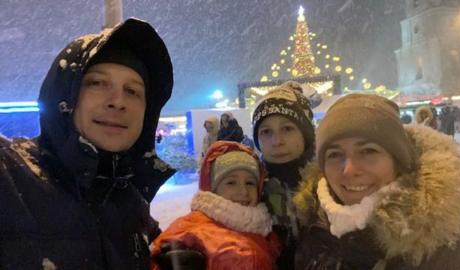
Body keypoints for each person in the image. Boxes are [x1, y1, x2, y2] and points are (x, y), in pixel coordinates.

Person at [0, 18, 176, 269]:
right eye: (97, 83)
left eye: (133, 91)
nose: (118, 101)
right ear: (64, 95)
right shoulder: (11, 175)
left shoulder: (131, 207)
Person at [294, 94, 460, 269]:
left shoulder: (442, 249)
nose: (349, 170)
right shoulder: (315, 224)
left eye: (368, 151)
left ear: (398, 161)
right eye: (335, 154)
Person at [150, 141, 280, 270]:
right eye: (231, 183)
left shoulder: (265, 230)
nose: (243, 191)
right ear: (212, 188)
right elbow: (157, 258)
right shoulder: (190, 230)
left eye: (250, 183)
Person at [251, 80, 315, 270]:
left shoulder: (335, 184)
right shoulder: (248, 187)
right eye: (266, 132)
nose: (277, 141)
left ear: (306, 134)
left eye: (287, 128)